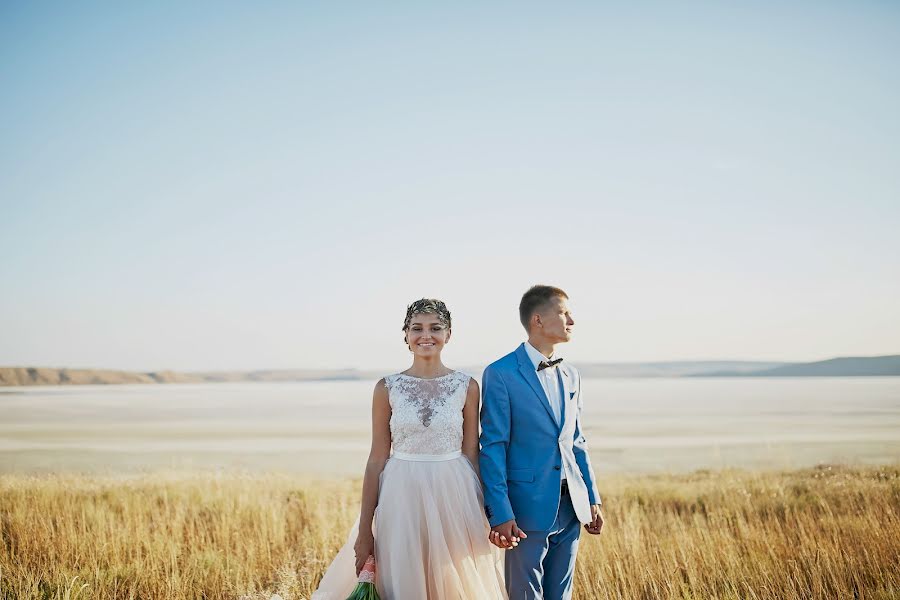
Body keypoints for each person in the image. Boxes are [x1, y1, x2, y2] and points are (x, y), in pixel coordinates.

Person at [312, 299, 506, 600]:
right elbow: (377, 459)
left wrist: (488, 513)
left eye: (435, 328)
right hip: (399, 495)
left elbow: (471, 454)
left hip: (455, 496)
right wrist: (365, 531)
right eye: (417, 328)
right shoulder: (386, 388)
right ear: (405, 335)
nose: (425, 335)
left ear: (448, 334)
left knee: (452, 577)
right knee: (402, 575)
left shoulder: (467, 386)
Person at [480, 285, 604, 600]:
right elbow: (493, 447)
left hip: (572, 505)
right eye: (564, 313)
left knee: (561, 595)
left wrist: (592, 497)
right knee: (524, 595)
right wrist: (500, 513)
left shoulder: (571, 375)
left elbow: (577, 442)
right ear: (538, 319)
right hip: (525, 509)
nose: (572, 321)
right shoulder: (501, 373)